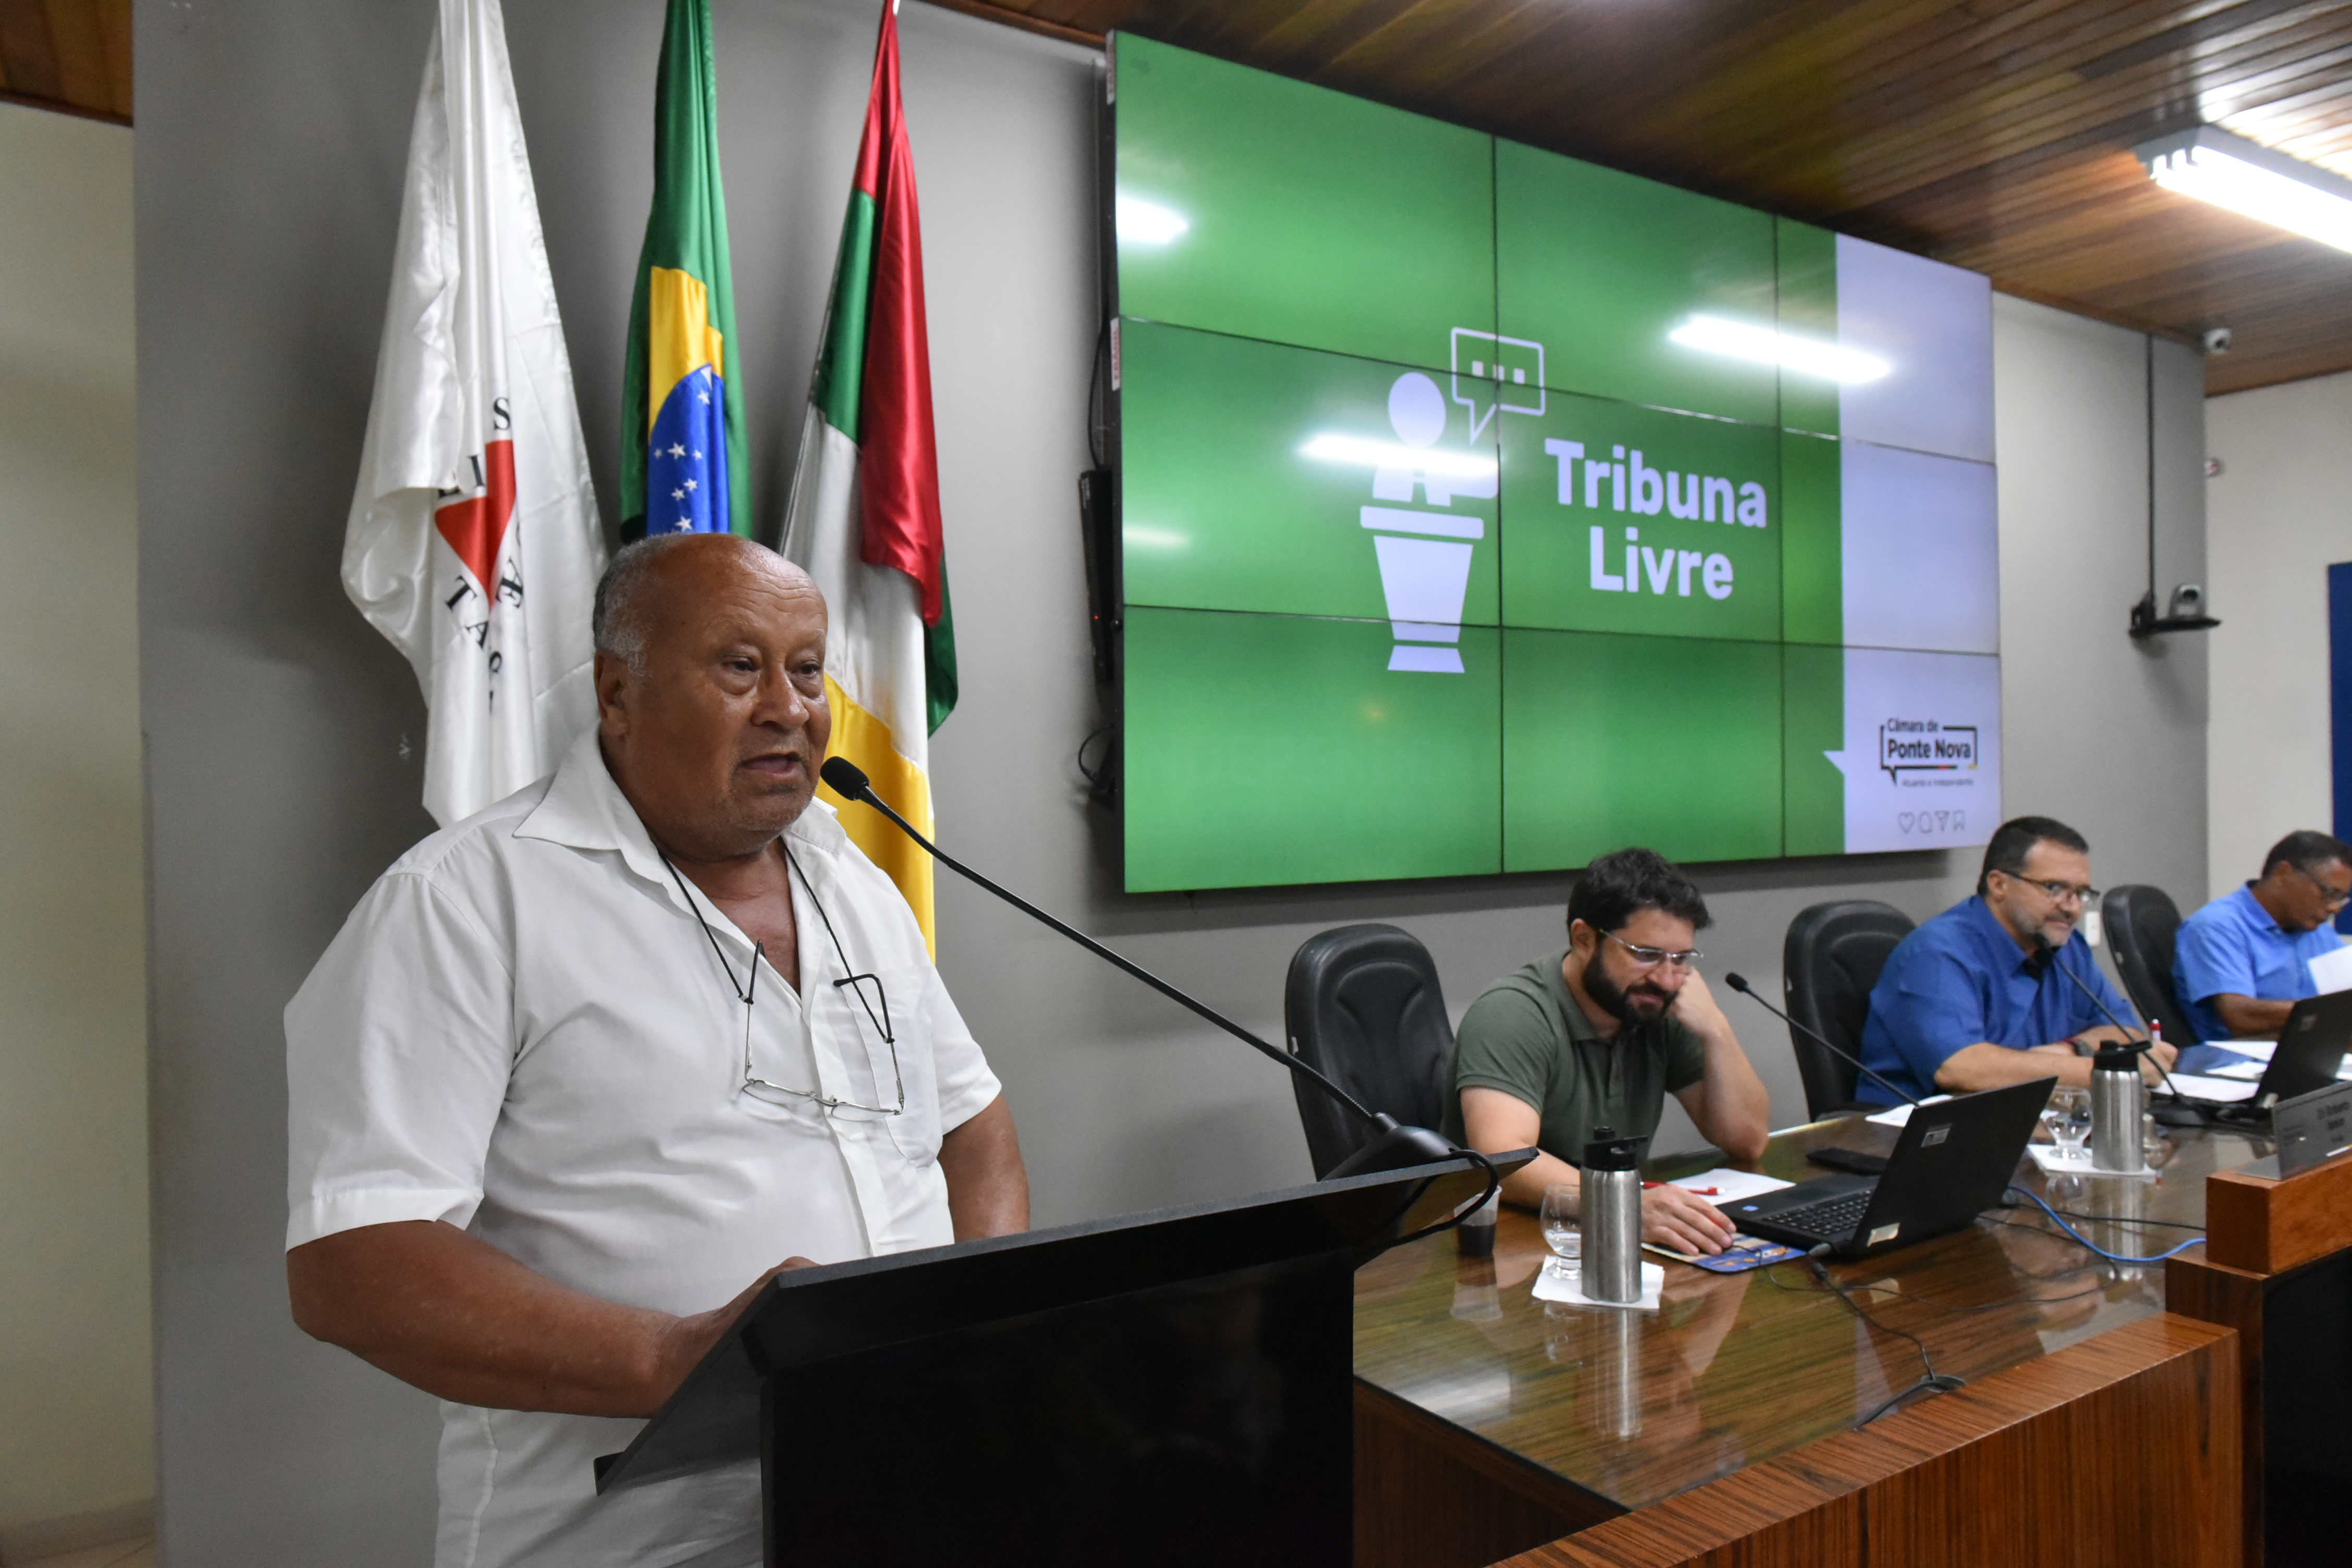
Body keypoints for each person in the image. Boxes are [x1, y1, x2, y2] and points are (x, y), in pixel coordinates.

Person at [283, 534, 1028, 1568]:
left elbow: (973, 1128)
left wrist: (975, 1320)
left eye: (808, 669)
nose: (790, 707)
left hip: (890, 1488)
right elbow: (351, 1264)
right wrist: (678, 1357)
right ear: (617, 692)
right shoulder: (465, 901)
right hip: (631, 1539)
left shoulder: (850, 877)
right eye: (739, 666)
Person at [1446, 848, 1771, 1257]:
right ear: (1584, 939)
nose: (1668, 980)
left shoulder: (1658, 1006)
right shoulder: (1512, 1014)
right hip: (1508, 1252)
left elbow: (1748, 1141)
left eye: (1682, 959)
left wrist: (1717, 1032)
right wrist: (1622, 1206)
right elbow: (1505, 1161)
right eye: (1647, 955)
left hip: (1610, 1241)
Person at [1857, 815, 2175, 1104]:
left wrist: (2068, 1050)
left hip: (2034, 1120)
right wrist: (2108, 1073)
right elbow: (1962, 1071)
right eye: (2056, 889)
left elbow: (2126, 1033)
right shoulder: (1937, 954)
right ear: (1999, 885)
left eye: (2081, 893)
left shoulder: (2066, 946)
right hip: (1920, 1138)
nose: (2073, 907)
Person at [2173, 830, 2352, 1040]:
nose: (2334, 907)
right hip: (2244, 1062)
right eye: (2329, 893)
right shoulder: (2216, 927)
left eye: (2341, 899)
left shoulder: (2316, 930)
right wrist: (2331, 1013)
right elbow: (2240, 1016)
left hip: (2315, 1052)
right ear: (2283, 874)